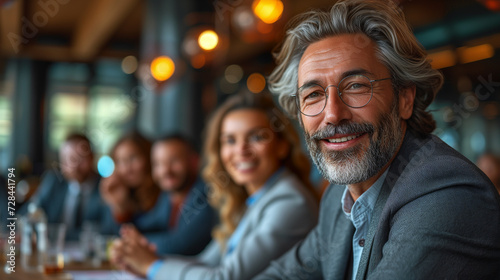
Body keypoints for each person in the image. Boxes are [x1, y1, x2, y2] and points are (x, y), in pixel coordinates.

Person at [254, 0, 500, 279]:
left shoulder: (446, 191)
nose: (333, 114)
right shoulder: (338, 197)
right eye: (313, 95)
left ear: (404, 99)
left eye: (356, 86)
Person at [110, 91, 319, 280]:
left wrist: (151, 266)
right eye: (230, 140)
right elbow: (205, 263)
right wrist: (145, 262)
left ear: (282, 146)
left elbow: (223, 277)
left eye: (256, 137)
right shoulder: (254, 199)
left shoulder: (290, 201)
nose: (241, 150)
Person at [129, 135, 216, 255]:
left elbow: (180, 245)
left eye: (174, 161)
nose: (165, 171)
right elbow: (148, 225)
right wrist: (120, 211)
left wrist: (137, 241)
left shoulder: (206, 196)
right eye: (158, 164)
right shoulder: (168, 196)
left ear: (194, 161)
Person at [23, 133, 105, 240]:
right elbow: (30, 212)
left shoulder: (105, 187)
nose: (75, 166)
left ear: (92, 157)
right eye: (68, 160)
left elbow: (107, 230)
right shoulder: (54, 181)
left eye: (80, 159)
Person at [100, 132, 161, 235]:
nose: (127, 169)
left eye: (133, 158)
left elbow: (150, 234)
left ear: (150, 158)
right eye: (120, 161)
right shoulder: (122, 192)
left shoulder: (163, 194)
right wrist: (119, 206)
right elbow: (108, 236)